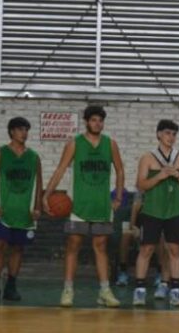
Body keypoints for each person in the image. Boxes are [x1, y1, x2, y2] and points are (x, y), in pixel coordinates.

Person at [43, 105, 125, 308]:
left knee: (101, 247)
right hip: (77, 205)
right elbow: (60, 169)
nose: (97, 123)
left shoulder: (110, 144)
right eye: (94, 120)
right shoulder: (74, 143)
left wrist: (118, 197)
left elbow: (120, 171)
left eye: (100, 120)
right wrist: (47, 194)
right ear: (87, 122)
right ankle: (68, 290)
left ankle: (104, 291)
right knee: (73, 246)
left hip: (102, 205)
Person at [133, 119, 179, 307]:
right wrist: (160, 176)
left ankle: (175, 290)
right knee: (146, 249)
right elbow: (140, 185)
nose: (171, 137)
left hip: (174, 211)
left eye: (174, 134)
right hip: (152, 210)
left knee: (175, 250)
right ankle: (140, 290)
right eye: (168, 133)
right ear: (159, 134)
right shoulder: (148, 157)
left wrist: (178, 175)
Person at [0, 116, 42, 304]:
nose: (24, 133)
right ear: (11, 132)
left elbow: (39, 185)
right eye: (20, 129)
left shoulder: (34, 157)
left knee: (18, 249)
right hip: (4, 210)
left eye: (26, 130)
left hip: (24, 212)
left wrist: (38, 207)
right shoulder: (0, 154)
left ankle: (11, 286)